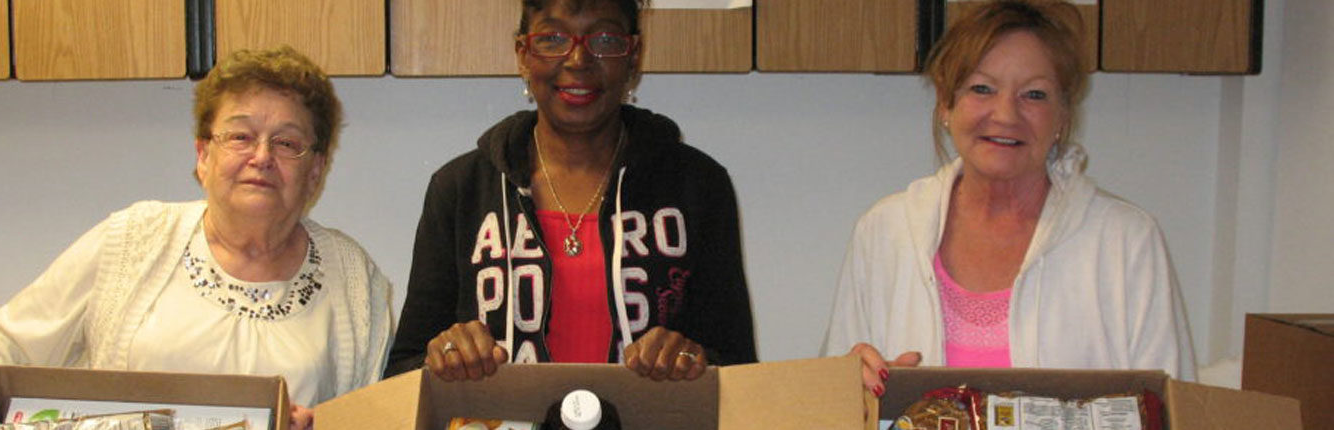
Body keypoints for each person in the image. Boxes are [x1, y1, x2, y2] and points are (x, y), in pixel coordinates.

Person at [0, 47, 392, 430]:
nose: (261, 157)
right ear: (203, 154)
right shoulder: (132, 239)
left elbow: (379, 416)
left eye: (286, 142)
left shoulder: (354, 277)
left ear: (315, 169)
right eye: (240, 136)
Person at [819, 0, 1196, 397]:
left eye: (1034, 95)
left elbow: (1175, 412)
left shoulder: (1125, 242)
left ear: (1063, 116)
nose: (1005, 114)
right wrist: (852, 389)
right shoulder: (886, 231)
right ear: (946, 104)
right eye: (982, 88)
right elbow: (828, 410)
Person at [385, 0, 757, 382]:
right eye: (552, 38)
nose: (579, 59)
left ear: (633, 57)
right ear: (523, 54)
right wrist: (445, 357)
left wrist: (692, 360)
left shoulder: (697, 186)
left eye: (606, 39)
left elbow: (739, 371)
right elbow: (404, 370)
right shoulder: (461, 189)